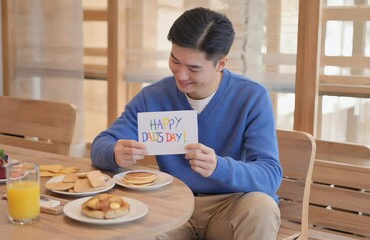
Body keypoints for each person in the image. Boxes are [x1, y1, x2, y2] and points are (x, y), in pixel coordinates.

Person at [91, 7, 282, 240]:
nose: (181, 75)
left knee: (262, 207)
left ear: (221, 64)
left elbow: (270, 174)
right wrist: (115, 153)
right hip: (172, 207)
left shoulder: (251, 97)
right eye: (175, 60)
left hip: (231, 206)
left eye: (193, 68)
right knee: (125, 230)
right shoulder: (153, 97)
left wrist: (219, 166)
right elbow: (101, 145)